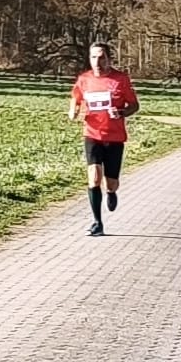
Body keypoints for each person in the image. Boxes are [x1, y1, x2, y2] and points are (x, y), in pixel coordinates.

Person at [68, 41, 140, 237]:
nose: (97, 61)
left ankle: (111, 192)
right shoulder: (84, 79)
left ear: (109, 59)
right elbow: (76, 96)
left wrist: (122, 112)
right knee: (93, 178)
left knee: (111, 182)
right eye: (93, 57)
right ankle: (97, 222)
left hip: (115, 137)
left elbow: (134, 105)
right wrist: (73, 110)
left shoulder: (120, 79)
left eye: (101, 57)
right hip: (92, 134)